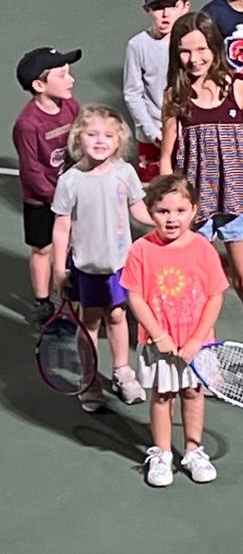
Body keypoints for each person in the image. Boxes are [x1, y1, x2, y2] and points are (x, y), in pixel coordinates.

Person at [159, 12, 243, 358]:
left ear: (215, 48)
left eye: (201, 49)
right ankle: (202, 357)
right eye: (185, 51)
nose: (194, 59)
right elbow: (167, 158)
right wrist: (169, 207)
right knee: (198, 289)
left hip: (238, 201)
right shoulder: (174, 97)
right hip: (196, 207)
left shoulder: (241, 90)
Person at [122, 175, 228, 487]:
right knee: (162, 395)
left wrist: (197, 339)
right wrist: (159, 336)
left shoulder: (203, 249)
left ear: (194, 211)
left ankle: (194, 451)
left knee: (193, 392)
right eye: (163, 211)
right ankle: (162, 454)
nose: (172, 219)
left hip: (197, 344)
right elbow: (135, 297)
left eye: (180, 211)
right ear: (150, 212)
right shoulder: (140, 250)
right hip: (160, 344)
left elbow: (215, 296)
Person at [50, 105, 152, 411]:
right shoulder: (70, 181)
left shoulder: (125, 173)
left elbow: (138, 208)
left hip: (120, 265)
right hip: (88, 267)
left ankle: (122, 371)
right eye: (92, 134)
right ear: (78, 138)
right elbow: (62, 228)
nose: (100, 141)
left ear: (119, 140)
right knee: (90, 322)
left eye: (108, 135)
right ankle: (89, 380)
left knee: (118, 316)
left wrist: (163, 222)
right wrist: (58, 269)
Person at [12, 47, 81, 329]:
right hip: (41, 200)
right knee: (43, 249)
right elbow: (32, 172)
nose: (71, 80)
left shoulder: (72, 107)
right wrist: (58, 199)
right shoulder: (27, 125)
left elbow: (80, 146)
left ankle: (69, 294)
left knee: (72, 244)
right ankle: (43, 303)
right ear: (39, 86)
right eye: (62, 75)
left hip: (71, 194)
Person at [123, 0, 190, 183]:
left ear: (185, 7)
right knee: (154, 191)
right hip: (153, 136)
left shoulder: (193, 43)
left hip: (188, 134)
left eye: (172, 6)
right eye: (158, 7)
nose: (165, 14)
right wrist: (152, 132)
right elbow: (132, 93)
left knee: (188, 189)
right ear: (147, 10)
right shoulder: (138, 45)